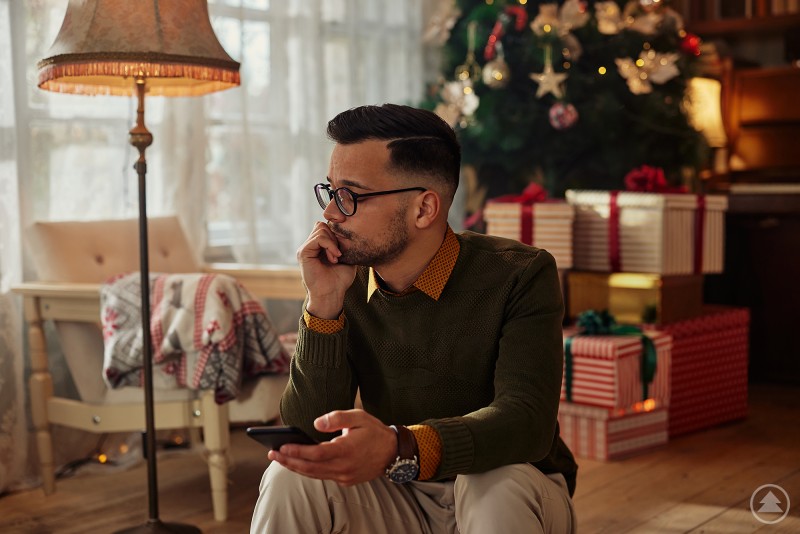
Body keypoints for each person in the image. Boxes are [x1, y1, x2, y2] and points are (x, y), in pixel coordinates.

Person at [250, 104, 577, 533]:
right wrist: (323, 303)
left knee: (495, 482)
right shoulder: (343, 278)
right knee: (291, 475)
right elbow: (309, 433)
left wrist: (399, 446)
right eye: (331, 192)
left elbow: (525, 421)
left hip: (513, 488)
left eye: (351, 196)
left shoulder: (521, 274)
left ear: (425, 208)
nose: (330, 214)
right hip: (399, 492)